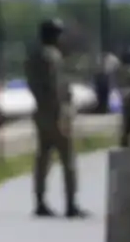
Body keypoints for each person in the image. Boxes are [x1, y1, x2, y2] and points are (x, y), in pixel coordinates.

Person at [24, 19, 87, 218]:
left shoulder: (33, 56)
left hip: (41, 111)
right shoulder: (52, 56)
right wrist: (62, 113)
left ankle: (40, 201)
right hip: (56, 113)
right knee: (67, 159)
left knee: (43, 158)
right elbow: (56, 87)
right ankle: (71, 204)